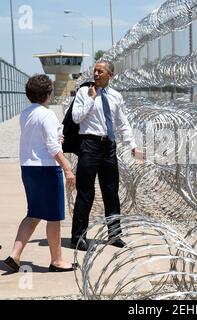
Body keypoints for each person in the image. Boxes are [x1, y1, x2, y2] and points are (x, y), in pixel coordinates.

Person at [3, 74, 77, 272]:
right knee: (54, 217)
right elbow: (52, 146)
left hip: (28, 167)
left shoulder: (26, 113)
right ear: (48, 93)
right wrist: (67, 169)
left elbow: (42, 139)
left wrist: (55, 138)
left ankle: (15, 254)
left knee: (34, 213)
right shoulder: (47, 114)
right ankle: (57, 260)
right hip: (46, 169)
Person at [70, 61, 142, 251]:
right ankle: (78, 236)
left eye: (100, 71)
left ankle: (115, 234)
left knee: (111, 192)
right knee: (85, 192)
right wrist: (91, 99)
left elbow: (122, 122)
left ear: (110, 75)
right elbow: (76, 117)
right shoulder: (83, 93)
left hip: (108, 146)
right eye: (94, 71)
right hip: (89, 145)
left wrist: (132, 145)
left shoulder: (116, 96)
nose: (95, 74)